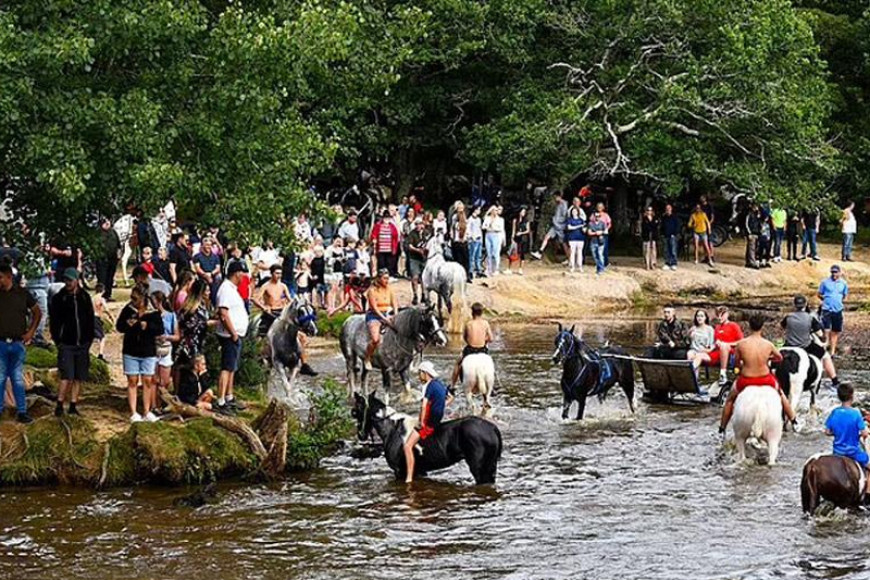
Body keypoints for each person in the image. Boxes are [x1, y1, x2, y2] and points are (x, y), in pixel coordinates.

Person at [718, 313, 798, 433]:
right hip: (765, 379)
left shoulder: (741, 344)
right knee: (781, 395)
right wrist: (768, 359)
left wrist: (739, 368)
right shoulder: (768, 344)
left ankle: (722, 428)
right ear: (762, 327)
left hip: (746, 379)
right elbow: (780, 358)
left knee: (730, 400)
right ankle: (794, 421)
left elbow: (736, 362)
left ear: (749, 326)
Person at [49, 268, 95, 417]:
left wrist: (89, 339)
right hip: (66, 343)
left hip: (83, 343)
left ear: (77, 280)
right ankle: (60, 403)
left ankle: (73, 404)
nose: (68, 283)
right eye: (66, 280)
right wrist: (58, 340)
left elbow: (90, 319)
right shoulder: (59, 299)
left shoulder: (84, 297)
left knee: (78, 376)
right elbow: (54, 322)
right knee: (66, 375)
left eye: (70, 280)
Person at [0, 262, 41, 423]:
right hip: (1, 342)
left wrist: (31, 331)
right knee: (0, 377)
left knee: (17, 378)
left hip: (17, 342)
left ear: (9, 276)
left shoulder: (23, 294)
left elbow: (37, 312)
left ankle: (22, 411)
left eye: (1, 277)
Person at [116, 283, 163, 422]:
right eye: (131, 297)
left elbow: (160, 329)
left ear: (143, 298)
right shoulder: (128, 310)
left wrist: (147, 326)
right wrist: (127, 325)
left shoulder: (153, 312)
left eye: (135, 298)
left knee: (148, 380)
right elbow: (119, 326)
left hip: (148, 351)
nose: (132, 301)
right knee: (132, 380)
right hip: (131, 350)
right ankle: (133, 412)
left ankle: (147, 411)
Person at [403, 360, 452, 483]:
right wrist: (441, 405)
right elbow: (451, 397)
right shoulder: (439, 384)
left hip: (430, 421)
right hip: (438, 418)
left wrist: (421, 422)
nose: (419, 376)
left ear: (425, 373)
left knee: (407, 446)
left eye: (420, 373)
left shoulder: (428, 386)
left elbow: (424, 406)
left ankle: (409, 477)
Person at [215, 261, 251, 414]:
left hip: (235, 334)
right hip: (229, 335)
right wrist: (233, 333)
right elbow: (224, 313)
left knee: (232, 367)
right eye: (243, 273)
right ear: (237, 273)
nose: (244, 276)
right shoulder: (225, 289)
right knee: (227, 366)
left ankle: (229, 396)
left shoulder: (232, 289)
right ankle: (221, 400)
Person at [781, 295, 839, 386]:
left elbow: (784, 328)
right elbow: (820, 335)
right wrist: (824, 339)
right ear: (805, 305)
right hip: (806, 346)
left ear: (795, 305)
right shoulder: (810, 318)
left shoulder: (788, 317)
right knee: (825, 355)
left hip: (789, 345)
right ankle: (835, 381)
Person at [824, 383, 870, 495]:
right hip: (853, 452)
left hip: (837, 452)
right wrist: (863, 433)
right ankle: (868, 492)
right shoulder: (856, 413)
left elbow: (827, 432)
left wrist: (837, 433)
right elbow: (864, 433)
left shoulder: (834, 412)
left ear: (839, 396)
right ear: (852, 396)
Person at [450, 302, 493, 390]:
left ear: (472, 312)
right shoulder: (486, 323)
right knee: (490, 365)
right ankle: (490, 387)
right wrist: (484, 340)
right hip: (482, 350)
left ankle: (452, 385)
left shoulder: (468, 324)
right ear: (482, 312)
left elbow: (465, 338)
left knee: (457, 364)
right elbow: (491, 338)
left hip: (470, 350)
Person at [363, 269, 399, 371]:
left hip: (388, 313)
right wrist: (384, 319)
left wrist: (396, 315)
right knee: (375, 339)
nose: (387, 281)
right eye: (385, 278)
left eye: (388, 278)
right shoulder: (372, 290)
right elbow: (374, 307)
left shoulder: (389, 289)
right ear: (379, 279)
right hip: (374, 315)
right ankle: (367, 358)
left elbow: (394, 303)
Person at [152, 291, 180, 404]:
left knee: (164, 381)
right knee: (154, 380)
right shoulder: (151, 316)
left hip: (166, 348)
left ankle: (161, 402)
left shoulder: (171, 316)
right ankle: (154, 404)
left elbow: (177, 336)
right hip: (153, 349)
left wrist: (167, 337)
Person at [254, 264, 292, 335]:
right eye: (277, 273)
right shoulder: (265, 286)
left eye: (280, 273)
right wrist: (264, 307)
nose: (279, 276)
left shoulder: (283, 286)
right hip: (270, 312)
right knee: (262, 332)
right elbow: (255, 299)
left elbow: (290, 299)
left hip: (282, 312)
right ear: (271, 273)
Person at [819, 265, 848, 356]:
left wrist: (838, 301)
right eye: (832, 272)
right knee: (826, 330)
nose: (834, 274)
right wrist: (826, 300)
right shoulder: (825, 282)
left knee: (835, 331)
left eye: (836, 272)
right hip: (826, 309)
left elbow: (844, 295)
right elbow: (819, 294)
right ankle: (824, 350)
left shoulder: (843, 283)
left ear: (840, 272)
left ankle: (832, 352)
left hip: (837, 309)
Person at [712, 306, 744, 387]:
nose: (719, 317)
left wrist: (727, 344)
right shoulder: (717, 327)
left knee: (724, 346)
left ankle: (722, 374)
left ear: (727, 314)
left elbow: (741, 341)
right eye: (718, 315)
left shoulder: (733, 325)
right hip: (718, 353)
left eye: (722, 315)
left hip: (731, 353)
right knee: (698, 354)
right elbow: (715, 342)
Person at [531, 191, 568, 260]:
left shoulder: (564, 204)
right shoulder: (558, 204)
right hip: (555, 225)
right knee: (547, 237)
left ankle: (569, 258)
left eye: (555, 197)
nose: (554, 199)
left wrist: (560, 222)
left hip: (560, 226)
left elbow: (564, 215)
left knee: (563, 243)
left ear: (559, 196)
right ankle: (540, 252)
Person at [96, 217, 121, 301]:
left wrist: (118, 254)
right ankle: (100, 297)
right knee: (102, 278)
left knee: (110, 278)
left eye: (108, 221)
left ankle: (108, 295)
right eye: (104, 222)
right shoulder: (98, 233)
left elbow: (118, 245)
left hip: (112, 259)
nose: (107, 223)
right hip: (102, 260)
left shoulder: (113, 232)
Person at [405, 218, 429, 305]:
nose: (418, 226)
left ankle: (424, 294)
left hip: (424, 258)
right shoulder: (412, 234)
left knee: (424, 278)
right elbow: (409, 245)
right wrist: (418, 250)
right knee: (414, 277)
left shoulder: (427, 233)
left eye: (420, 224)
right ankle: (415, 295)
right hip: (414, 258)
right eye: (417, 224)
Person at [371, 210, 400, 278]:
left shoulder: (392, 226)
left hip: (389, 248)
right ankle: (380, 277)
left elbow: (396, 237)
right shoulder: (378, 225)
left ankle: (388, 277)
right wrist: (374, 240)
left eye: (388, 218)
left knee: (389, 264)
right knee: (381, 264)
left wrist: (394, 247)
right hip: (381, 248)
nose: (386, 219)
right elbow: (373, 234)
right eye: (385, 218)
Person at [193, 237, 222, 301]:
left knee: (218, 278)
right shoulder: (197, 256)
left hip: (213, 277)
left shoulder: (215, 257)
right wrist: (205, 275)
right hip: (202, 277)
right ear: (202, 245)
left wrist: (211, 274)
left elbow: (218, 268)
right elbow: (197, 268)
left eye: (209, 245)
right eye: (206, 245)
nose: (208, 247)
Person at [92, 283, 113, 362]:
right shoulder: (101, 298)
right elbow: (106, 309)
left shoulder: (92, 298)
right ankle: (100, 354)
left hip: (90, 318)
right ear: (103, 290)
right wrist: (111, 317)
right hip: (96, 318)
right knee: (102, 338)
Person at [482, 205, 505, 276]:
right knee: (489, 253)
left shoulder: (500, 219)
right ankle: (489, 269)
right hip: (488, 234)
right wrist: (488, 225)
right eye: (493, 210)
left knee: (495, 253)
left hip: (496, 235)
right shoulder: (487, 218)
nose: (495, 212)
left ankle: (496, 269)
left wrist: (493, 227)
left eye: (496, 210)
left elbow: (501, 229)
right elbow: (483, 226)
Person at [565, 205, 586, 273]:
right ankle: (572, 266)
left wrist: (584, 229)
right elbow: (569, 227)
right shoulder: (569, 220)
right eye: (573, 211)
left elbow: (584, 229)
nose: (574, 212)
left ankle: (580, 266)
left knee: (580, 252)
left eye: (576, 211)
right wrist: (579, 226)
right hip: (572, 238)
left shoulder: (581, 220)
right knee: (572, 253)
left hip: (580, 238)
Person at [510, 207, 531, 275]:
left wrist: (521, 233)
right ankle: (509, 268)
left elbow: (528, 230)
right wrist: (512, 237)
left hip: (523, 238)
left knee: (522, 253)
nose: (523, 213)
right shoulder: (515, 220)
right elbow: (513, 229)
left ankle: (520, 268)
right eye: (522, 212)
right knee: (513, 252)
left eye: (524, 212)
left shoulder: (526, 221)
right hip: (517, 238)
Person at [660, 203, 680, 270]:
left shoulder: (675, 217)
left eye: (669, 208)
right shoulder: (664, 217)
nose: (667, 210)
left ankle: (674, 263)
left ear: (671, 209)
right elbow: (662, 226)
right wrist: (662, 234)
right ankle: (667, 263)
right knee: (666, 250)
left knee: (673, 250)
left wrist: (674, 234)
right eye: (666, 209)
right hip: (665, 236)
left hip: (672, 236)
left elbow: (677, 226)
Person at [640, 206, 659, 270]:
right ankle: (647, 264)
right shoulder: (644, 219)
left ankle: (653, 264)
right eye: (648, 210)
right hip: (646, 237)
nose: (649, 212)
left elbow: (656, 227)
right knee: (647, 251)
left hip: (653, 237)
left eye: (650, 210)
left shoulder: (655, 218)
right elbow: (645, 227)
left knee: (653, 251)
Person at [467, 206, 484, 279]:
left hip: (479, 238)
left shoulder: (479, 219)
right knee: (472, 256)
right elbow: (468, 230)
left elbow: (479, 229)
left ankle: (478, 270)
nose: (479, 211)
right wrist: (471, 237)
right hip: (473, 239)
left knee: (478, 255)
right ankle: (471, 270)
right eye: (478, 209)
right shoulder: (470, 219)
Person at [744, 204, 761, 269]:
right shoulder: (749, 214)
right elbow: (746, 224)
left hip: (756, 233)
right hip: (751, 233)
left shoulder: (757, 215)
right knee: (752, 248)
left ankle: (749, 261)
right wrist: (749, 233)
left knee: (751, 248)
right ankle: (752, 262)